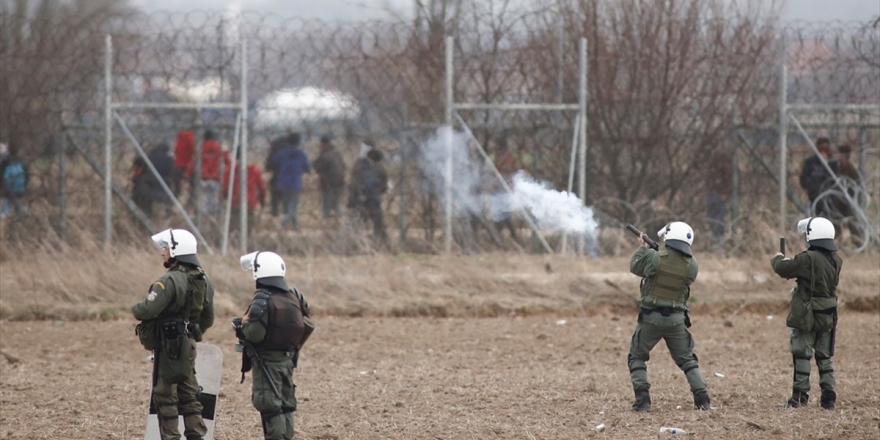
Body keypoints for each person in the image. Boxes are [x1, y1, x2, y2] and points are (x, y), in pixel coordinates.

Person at [132, 228, 216, 440]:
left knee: (165, 393)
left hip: (169, 346)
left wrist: (135, 308)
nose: (163, 253)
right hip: (188, 344)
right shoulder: (205, 280)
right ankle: (196, 434)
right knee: (190, 392)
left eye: (166, 248)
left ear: (177, 251)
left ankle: (171, 437)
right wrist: (191, 335)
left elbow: (149, 309)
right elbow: (208, 318)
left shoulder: (169, 280)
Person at [626, 221, 711, 412]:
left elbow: (635, 267)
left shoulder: (654, 258)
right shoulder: (692, 265)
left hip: (651, 318)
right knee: (688, 360)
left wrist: (643, 249)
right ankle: (702, 399)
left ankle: (643, 401)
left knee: (636, 357)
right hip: (676, 320)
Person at [235, 251, 312, 440]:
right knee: (286, 405)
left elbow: (255, 334)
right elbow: (307, 323)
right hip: (287, 360)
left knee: (270, 407)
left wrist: (242, 325)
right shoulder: (294, 295)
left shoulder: (262, 298)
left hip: (266, 362)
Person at [770, 216, 841, 410]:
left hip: (808, 314)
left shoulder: (807, 258)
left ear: (812, 235)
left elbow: (782, 268)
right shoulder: (836, 260)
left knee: (802, 354)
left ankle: (800, 397)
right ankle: (829, 396)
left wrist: (778, 257)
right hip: (828, 313)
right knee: (824, 356)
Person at [347, 141, 389, 245]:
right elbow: (384, 185)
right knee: (377, 224)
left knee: (358, 223)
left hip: (361, 200)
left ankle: (355, 242)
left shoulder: (359, 165)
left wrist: (353, 199)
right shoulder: (379, 168)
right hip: (373, 200)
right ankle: (378, 243)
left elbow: (354, 184)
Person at [185, 130, 230, 221]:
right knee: (214, 197)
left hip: (203, 177)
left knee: (204, 198)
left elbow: (193, 162)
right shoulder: (220, 147)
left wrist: (188, 174)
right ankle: (214, 217)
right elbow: (228, 162)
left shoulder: (200, 148)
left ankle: (203, 218)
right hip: (216, 177)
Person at [223, 148, 268, 239]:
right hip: (249, 201)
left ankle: (231, 240)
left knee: (232, 223)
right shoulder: (254, 170)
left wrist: (225, 196)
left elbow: (225, 185)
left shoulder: (231, 170)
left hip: (235, 201)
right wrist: (262, 199)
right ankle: (244, 239)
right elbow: (261, 187)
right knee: (248, 224)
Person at [270, 133, 311, 230]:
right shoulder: (301, 153)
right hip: (295, 182)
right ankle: (282, 224)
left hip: (283, 182)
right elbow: (307, 168)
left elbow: (273, 163)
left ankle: (294, 226)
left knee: (287, 206)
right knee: (293, 205)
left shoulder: (281, 153)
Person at [799, 137, 838, 216]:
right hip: (814, 194)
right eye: (821, 149)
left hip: (829, 195)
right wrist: (811, 187)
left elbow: (836, 179)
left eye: (825, 149)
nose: (823, 152)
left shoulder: (833, 162)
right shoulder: (811, 162)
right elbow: (804, 178)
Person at [312, 135, 346, 220]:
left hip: (327, 183)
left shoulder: (324, 155)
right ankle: (340, 219)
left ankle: (326, 220)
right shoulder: (337, 154)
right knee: (336, 203)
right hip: (339, 182)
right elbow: (344, 167)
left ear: (323, 144)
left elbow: (316, 166)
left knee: (326, 203)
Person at [706, 148, 733, 250]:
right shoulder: (713, 169)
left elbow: (729, 183)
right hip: (713, 194)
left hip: (719, 195)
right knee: (713, 218)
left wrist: (725, 193)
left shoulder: (726, 169)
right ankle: (717, 241)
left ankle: (719, 242)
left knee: (718, 219)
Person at [147, 141, 180, 216]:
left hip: (151, 181)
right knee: (165, 197)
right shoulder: (168, 158)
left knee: (152, 198)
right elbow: (171, 171)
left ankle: (151, 214)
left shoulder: (150, 157)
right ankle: (167, 212)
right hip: (164, 181)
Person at [0, 142, 29, 220]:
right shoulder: (21, 161)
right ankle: (19, 214)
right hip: (20, 188)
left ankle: (5, 214)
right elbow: (27, 176)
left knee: (6, 200)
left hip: (8, 188)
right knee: (16, 200)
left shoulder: (5, 162)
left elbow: (2, 175)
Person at [264, 137, 286, 217]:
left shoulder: (275, 153)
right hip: (290, 181)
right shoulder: (291, 152)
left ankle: (275, 214)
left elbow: (268, 166)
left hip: (277, 179)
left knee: (275, 199)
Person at [173, 129, 195, 197]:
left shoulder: (179, 136)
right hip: (188, 165)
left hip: (178, 164)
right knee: (192, 186)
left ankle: (176, 197)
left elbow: (176, 149)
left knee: (178, 187)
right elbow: (193, 149)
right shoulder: (190, 136)